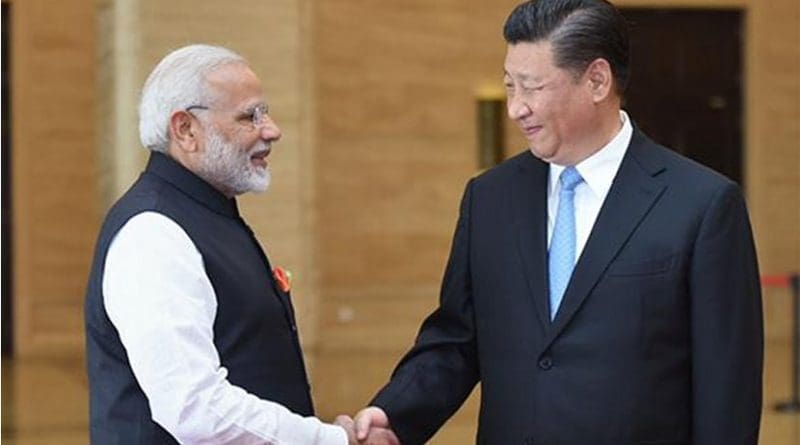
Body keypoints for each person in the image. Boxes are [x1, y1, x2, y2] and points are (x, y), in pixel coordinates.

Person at [351, 1, 764, 444]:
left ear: (597, 81)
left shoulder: (701, 205)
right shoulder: (490, 198)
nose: (515, 109)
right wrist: (392, 414)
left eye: (532, 88)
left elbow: (727, 390)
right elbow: (456, 338)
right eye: (510, 87)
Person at [84, 44, 397, 445]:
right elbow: (194, 409)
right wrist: (330, 440)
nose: (272, 130)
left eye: (264, 112)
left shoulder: (207, 214)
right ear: (185, 130)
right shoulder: (153, 234)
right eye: (250, 116)